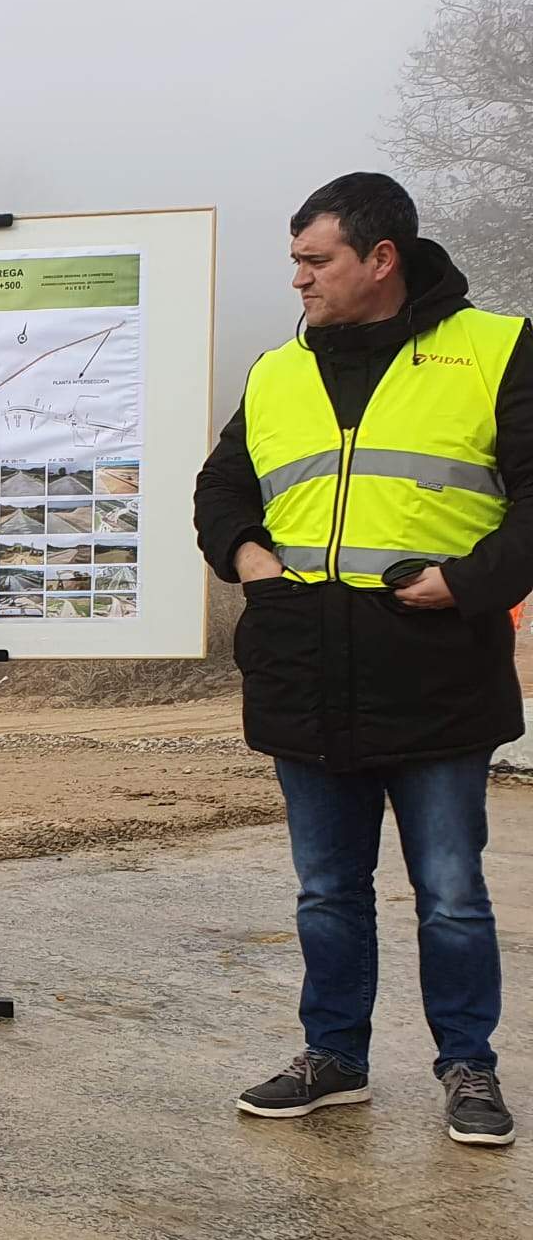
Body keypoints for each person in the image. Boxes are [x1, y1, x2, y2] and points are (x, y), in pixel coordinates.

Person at [195, 172, 533, 1147]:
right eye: (293, 259)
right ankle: (331, 1055)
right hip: (306, 672)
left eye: (314, 259)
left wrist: (464, 584)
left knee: (451, 892)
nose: (295, 277)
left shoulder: (493, 351)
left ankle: (466, 1067)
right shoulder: (273, 371)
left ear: (379, 259)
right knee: (325, 889)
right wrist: (248, 560)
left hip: (433, 668)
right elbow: (219, 490)